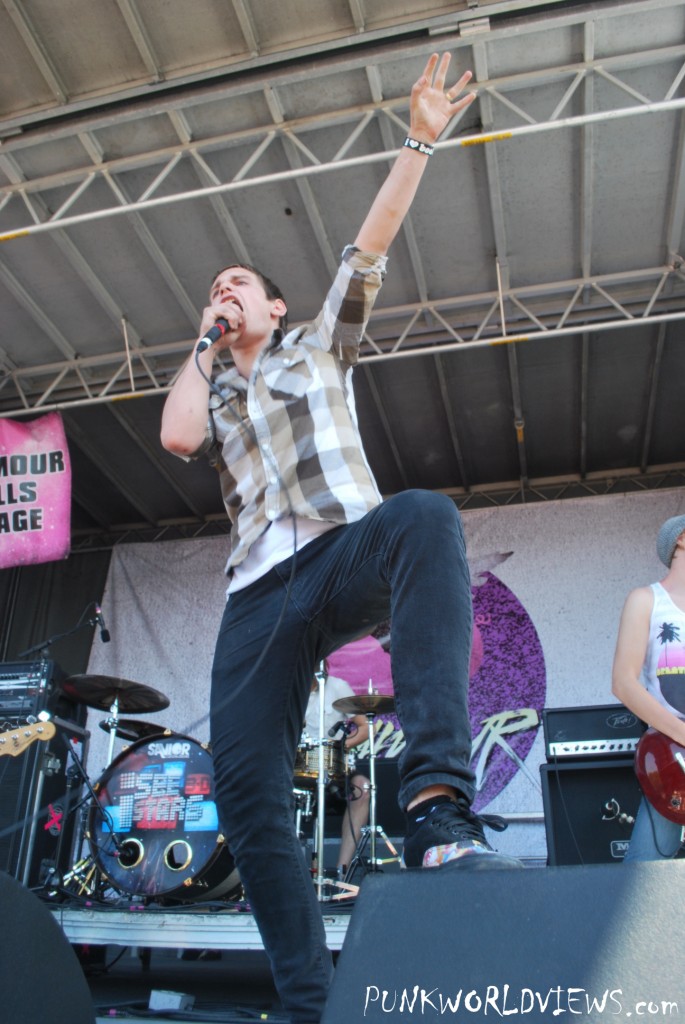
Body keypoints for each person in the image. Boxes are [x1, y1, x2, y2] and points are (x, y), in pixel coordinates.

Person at [161, 52, 519, 1024]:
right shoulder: (215, 382)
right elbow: (178, 433)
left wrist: (418, 140)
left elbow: (369, 245)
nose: (226, 290)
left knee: (424, 519)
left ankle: (438, 808)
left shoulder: (317, 345)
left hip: (340, 551)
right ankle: (309, 1000)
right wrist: (203, 339)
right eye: (216, 289)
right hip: (258, 596)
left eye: (242, 285)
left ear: (276, 308)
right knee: (245, 789)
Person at [612, 514, 685, 860]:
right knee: (645, 881)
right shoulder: (646, 600)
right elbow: (624, 683)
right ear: (682, 539)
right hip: (674, 759)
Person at [302, 668, 370, 875]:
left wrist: (341, 747)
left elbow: (365, 727)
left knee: (363, 787)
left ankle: (344, 868)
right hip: (300, 767)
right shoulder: (290, 689)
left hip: (335, 767)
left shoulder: (337, 686)